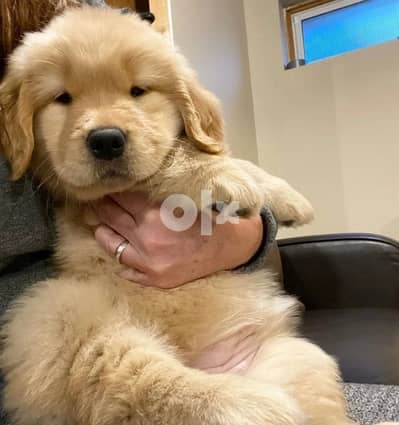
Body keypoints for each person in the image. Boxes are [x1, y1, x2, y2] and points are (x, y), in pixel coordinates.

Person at [0, 0, 276, 308]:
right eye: (63, 98)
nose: (105, 132)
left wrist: (236, 240)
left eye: (137, 91)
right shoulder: (25, 80)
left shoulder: (72, 13)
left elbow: (242, 202)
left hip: (218, 310)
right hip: (76, 328)